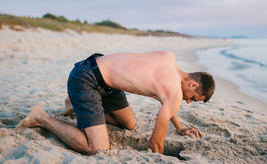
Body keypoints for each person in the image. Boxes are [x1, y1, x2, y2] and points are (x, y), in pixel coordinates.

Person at [16, 51, 215, 155]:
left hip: (103, 76)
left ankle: (74, 105)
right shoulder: (174, 93)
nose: (188, 102)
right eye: (193, 98)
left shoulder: (168, 57)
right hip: (86, 79)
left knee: (129, 124)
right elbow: (154, 143)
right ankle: (40, 117)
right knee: (96, 149)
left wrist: (179, 128)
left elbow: (167, 103)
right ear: (193, 84)